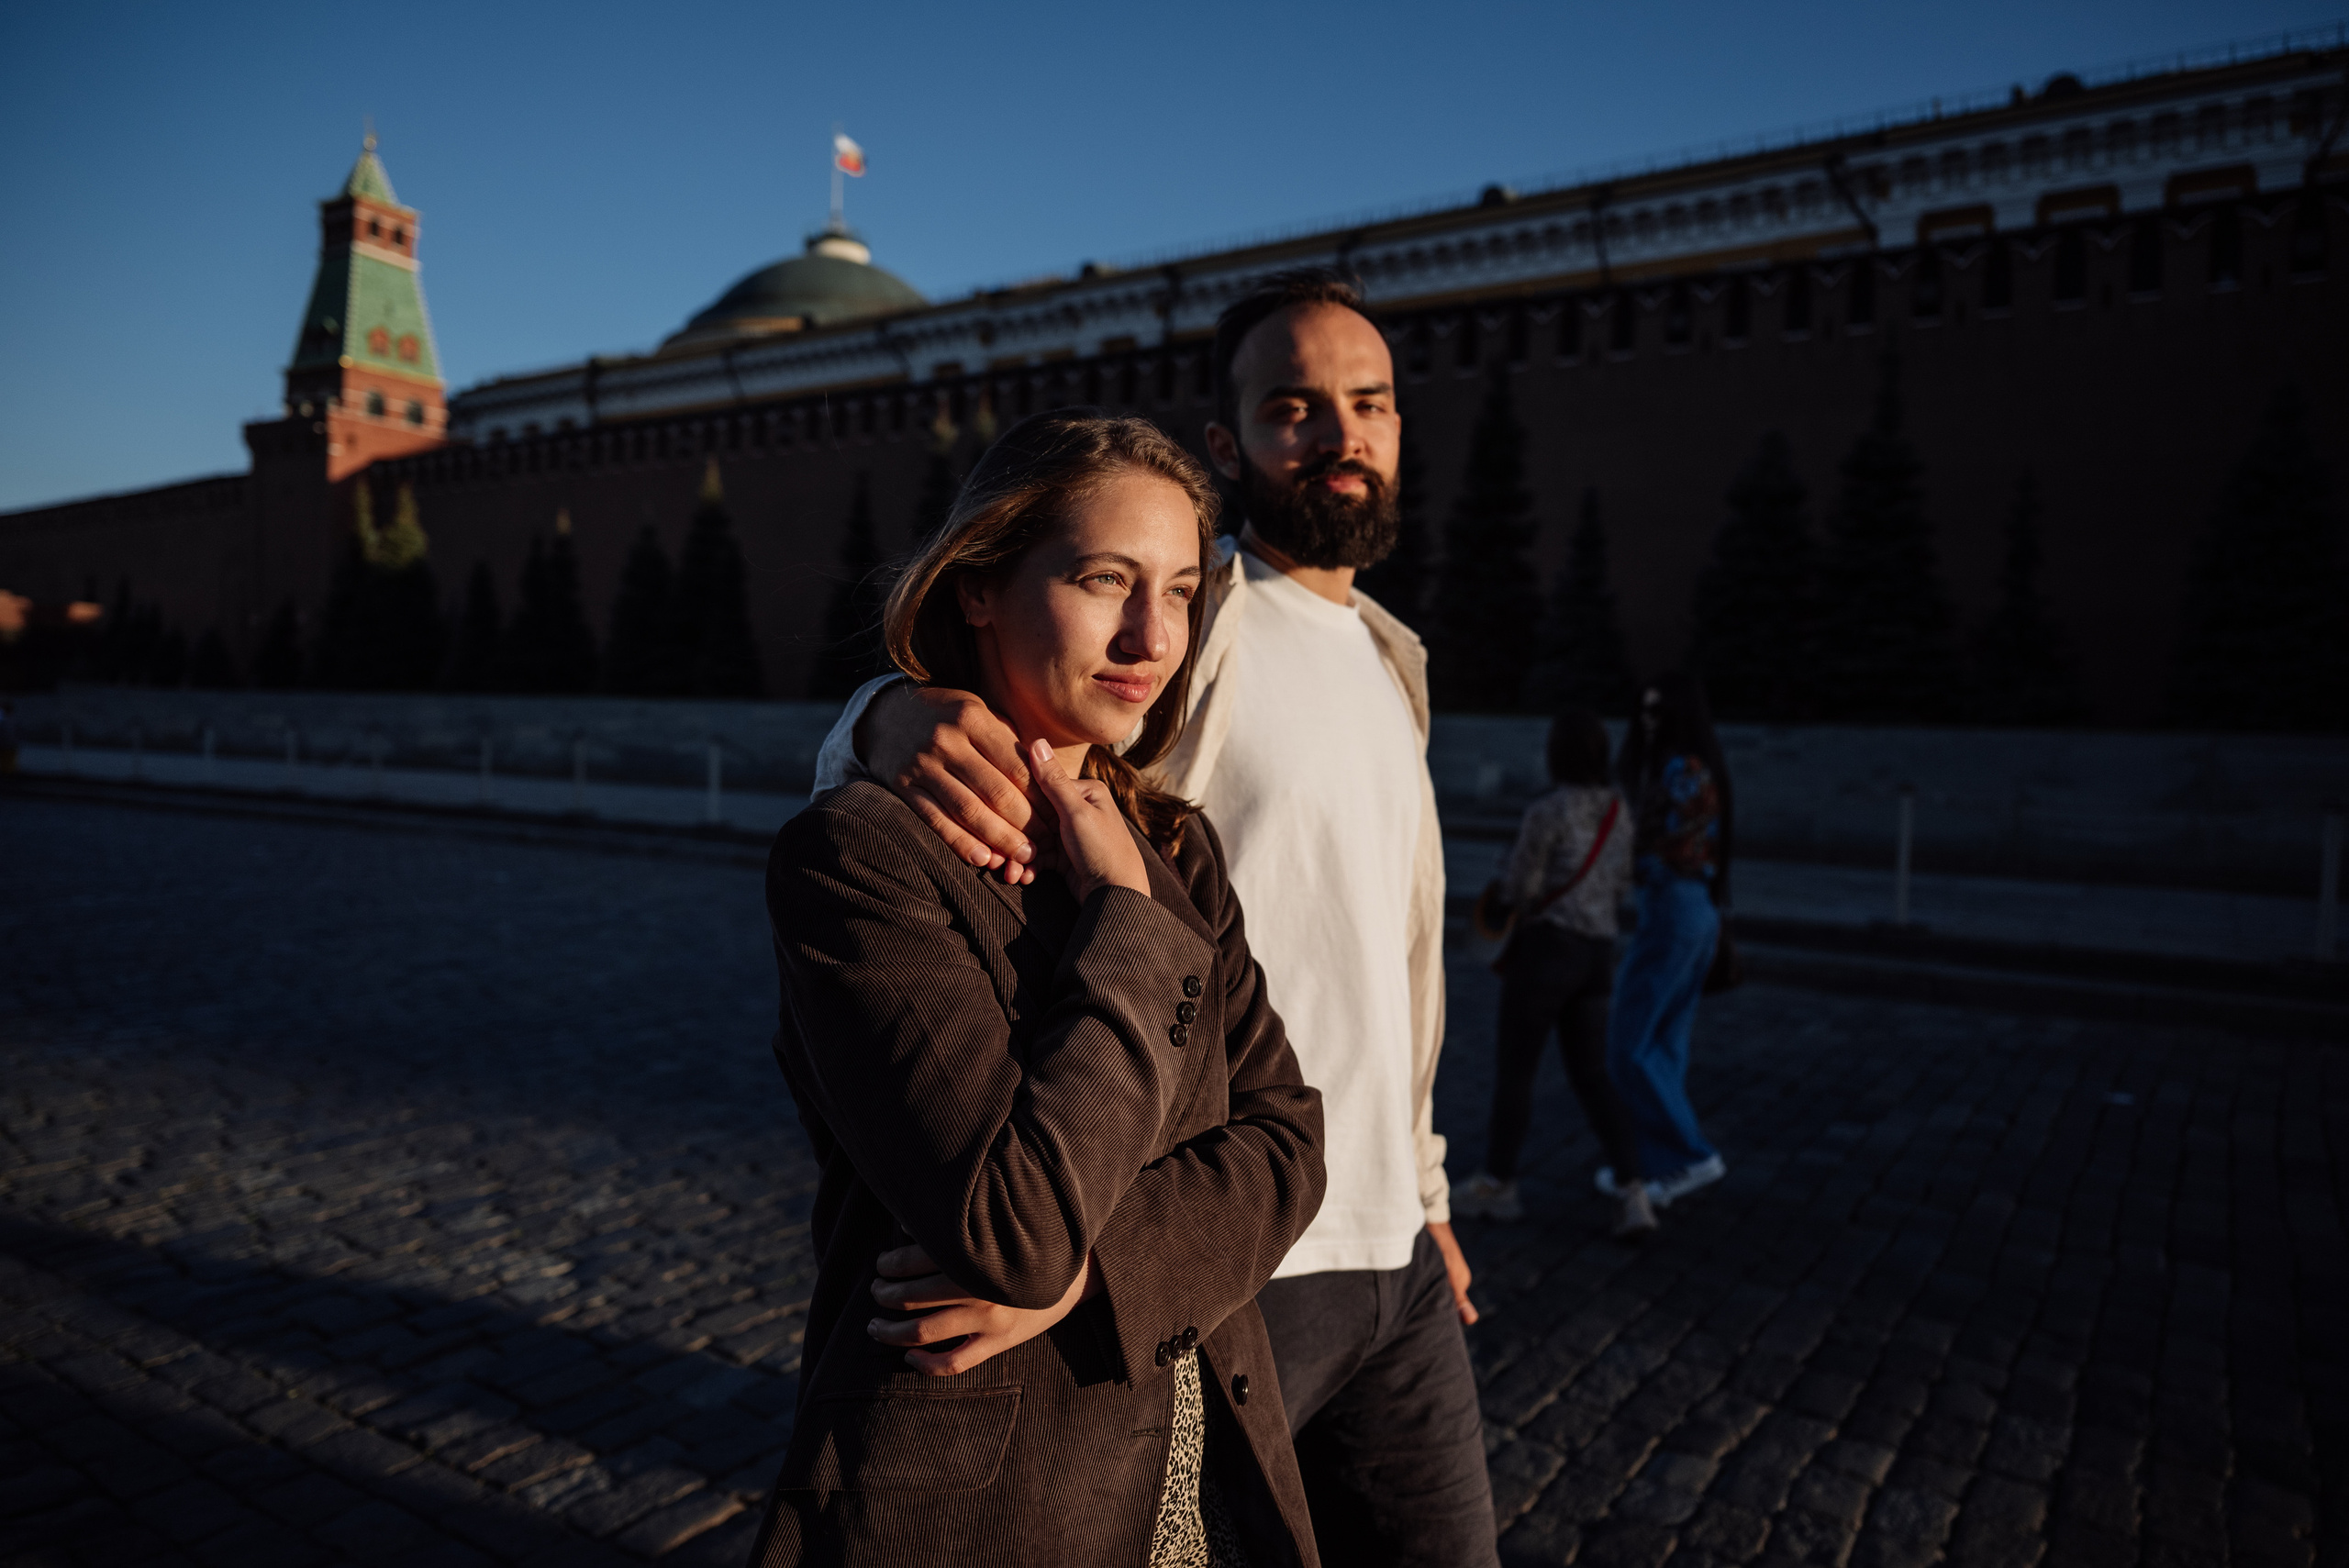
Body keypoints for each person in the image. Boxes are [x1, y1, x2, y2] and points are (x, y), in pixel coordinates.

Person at [812, 270, 1498, 1567]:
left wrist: (1426, 1186)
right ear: (1232, 444)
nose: (1342, 435)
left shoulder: (1395, 660)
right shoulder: (1203, 620)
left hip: (1388, 1242)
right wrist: (882, 714)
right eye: (1296, 407)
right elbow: (1012, 744)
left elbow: (1392, 963)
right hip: (1220, 1258)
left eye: (1371, 404)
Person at [756, 413, 1328, 1566]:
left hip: (1195, 1459)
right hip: (988, 1504)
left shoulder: (1173, 840)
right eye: (1103, 578)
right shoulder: (862, 855)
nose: (1149, 634)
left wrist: (1097, 1276)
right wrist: (1129, 921)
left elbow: (1290, 1145)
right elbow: (1013, 1229)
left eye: (1178, 590)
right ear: (978, 584)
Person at [1452, 707, 1652, 1237]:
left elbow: (1521, 886)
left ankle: (1499, 1183)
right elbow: (1623, 882)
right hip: (1596, 956)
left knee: (1517, 1072)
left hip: (1546, 953)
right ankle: (1634, 1193)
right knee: (1592, 1075)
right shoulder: (1619, 811)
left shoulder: (1549, 811)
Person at [1599, 670, 1733, 1209]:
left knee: (1627, 1046)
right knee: (1663, 1047)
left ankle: (1689, 1155)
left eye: (1659, 712)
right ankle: (1663, 1166)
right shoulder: (1695, 767)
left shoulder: (1681, 770)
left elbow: (1658, 848)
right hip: (1693, 909)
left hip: (1674, 909)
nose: (1648, 722)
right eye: (1643, 711)